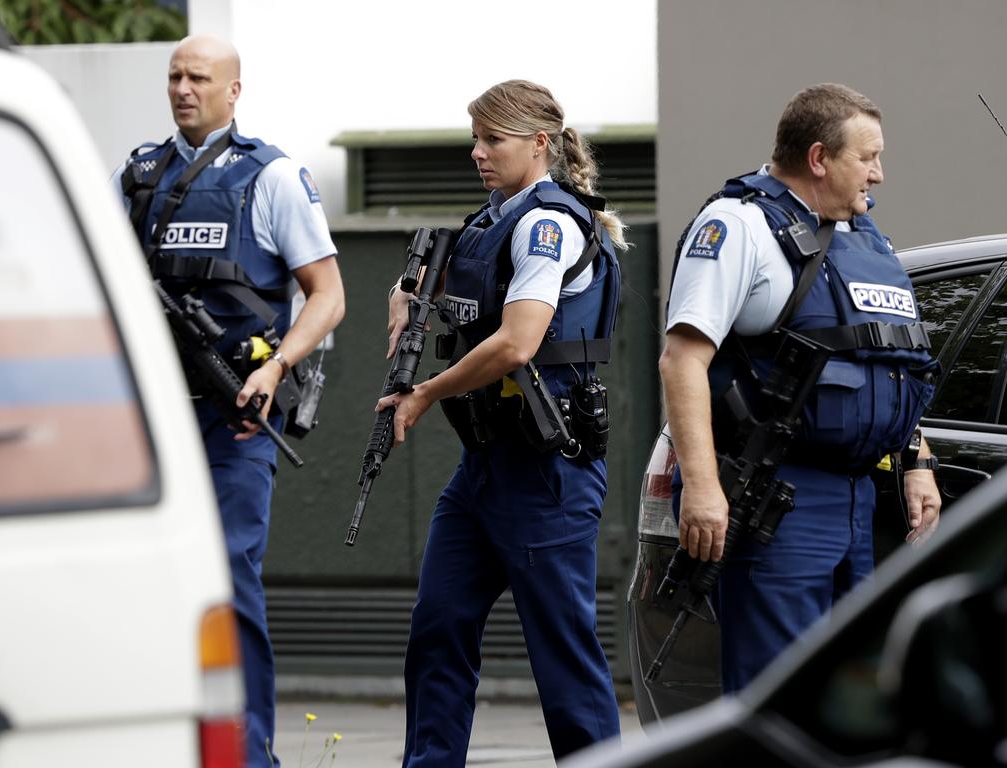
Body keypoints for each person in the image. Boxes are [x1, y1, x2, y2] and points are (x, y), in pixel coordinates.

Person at [660, 83, 942, 693]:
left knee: (850, 695)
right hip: (778, 500)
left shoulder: (865, 239)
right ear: (820, 158)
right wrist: (704, 490)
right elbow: (682, 359)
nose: (880, 174)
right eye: (867, 157)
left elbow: (888, 361)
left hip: (859, 498)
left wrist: (917, 459)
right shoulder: (740, 226)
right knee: (780, 697)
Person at [112, 35, 345, 766]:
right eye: (175, 76)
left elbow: (329, 296)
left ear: (234, 90)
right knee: (147, 587)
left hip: (235, 418)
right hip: (154, 419)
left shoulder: (270, 176)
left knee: (229, 580)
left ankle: (250, 757)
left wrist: (278, 366)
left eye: (199, 77)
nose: (183, 88)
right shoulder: (140, 175)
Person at [380, 80, 626, 766]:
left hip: (547, 471)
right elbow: (451, 285)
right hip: (483, 468)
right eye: (475, 139)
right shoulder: (493, 218)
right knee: (438, 629)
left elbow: (518, 341)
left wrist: (425, 392)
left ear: (539, 144)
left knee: (564, 658)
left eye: (494, 140)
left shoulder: (548, 224)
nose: (477, 152)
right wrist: (402, 293)